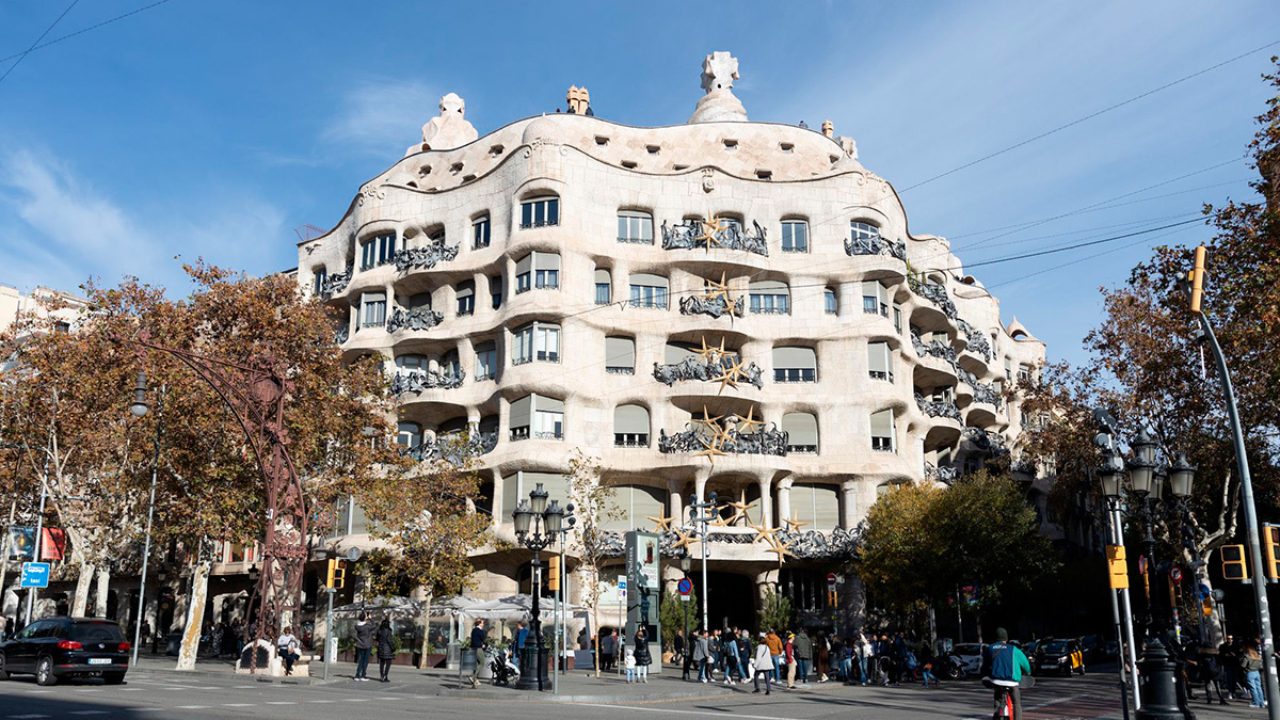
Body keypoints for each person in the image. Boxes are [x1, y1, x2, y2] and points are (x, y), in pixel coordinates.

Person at [988, 627, 1032, 720]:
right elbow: (1025, 664)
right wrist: (1027, 672)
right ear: (1006, 638)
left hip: (996, 681)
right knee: (1016, 703)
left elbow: (985, 665)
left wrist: (985, 675)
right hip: (1012, 682)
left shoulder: (990, 648)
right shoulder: (1014, 649)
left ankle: (996, 713)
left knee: (997, 700)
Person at [1243, 639, 1265, 708]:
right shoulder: (1257, 656)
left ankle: (1256, 702)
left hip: (1250, 672)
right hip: (1257, 672)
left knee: (1253, 688)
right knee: (1259, 687)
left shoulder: (1247, 656)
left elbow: (1243, 665)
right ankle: (1262, 702)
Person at [353, 612, 375, 682]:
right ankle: (363, 674)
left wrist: (365, 618)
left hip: (360, 644)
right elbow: (374, 626)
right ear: (365, 618)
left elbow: (358, 623)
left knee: (361, 659)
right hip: (367, 644)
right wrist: (371, 619)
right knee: (365, 660)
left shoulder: (357, 626)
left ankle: (357, 674)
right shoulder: (367, 627)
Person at [468, 619, 487, 688]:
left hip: (473, 648)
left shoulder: (474, 630)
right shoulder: (479, 630)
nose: (483, 624)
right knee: (482, 662)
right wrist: (484, 644)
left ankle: (475, 679)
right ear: (479, 624)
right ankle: (472, 675)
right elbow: (483, 638)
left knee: (476, 663)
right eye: (482, 623)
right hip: (478, 648)